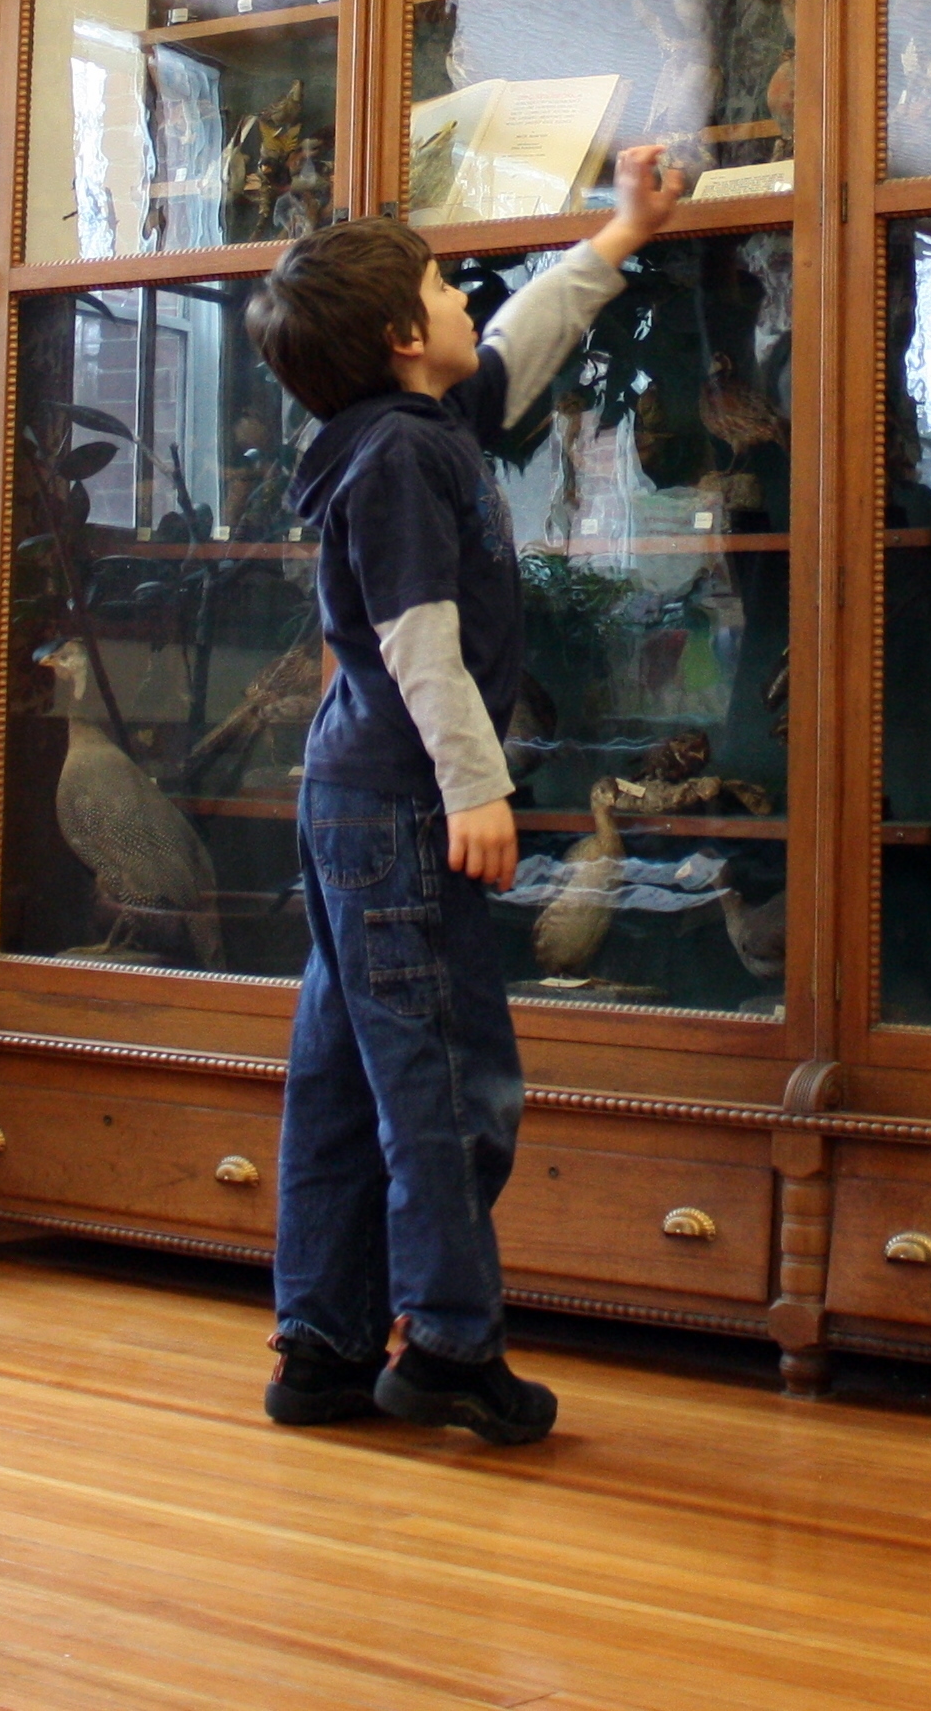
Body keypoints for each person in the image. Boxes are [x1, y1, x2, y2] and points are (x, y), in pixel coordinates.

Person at [244, 144, 690, 1441]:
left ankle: (323, 1345)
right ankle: (446, 1342)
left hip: (357, 796)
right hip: (401, 803)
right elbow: (418, 641)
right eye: (443, 289)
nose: (463, 302)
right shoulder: (400, 458)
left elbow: (516, 346)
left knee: (345, 1072)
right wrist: (474, 792)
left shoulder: (412, 428)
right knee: (449, 1079)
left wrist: (622, 233)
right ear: (400, 338)